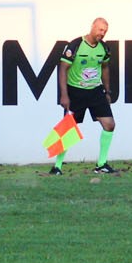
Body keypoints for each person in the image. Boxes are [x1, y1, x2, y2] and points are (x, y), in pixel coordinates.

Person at [50, 16, 120, 175]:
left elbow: (105, 67)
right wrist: (64, 95)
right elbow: (63, 69)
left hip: (95, 91)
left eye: (105, 31)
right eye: (100, 29)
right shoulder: (75, 45)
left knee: (109, 124)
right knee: (68, 129)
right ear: (92, 27)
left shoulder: (104, 48)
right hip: (76, 91)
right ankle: (57, 166)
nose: (102, 33)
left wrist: (107, 91)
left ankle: (101, 164)